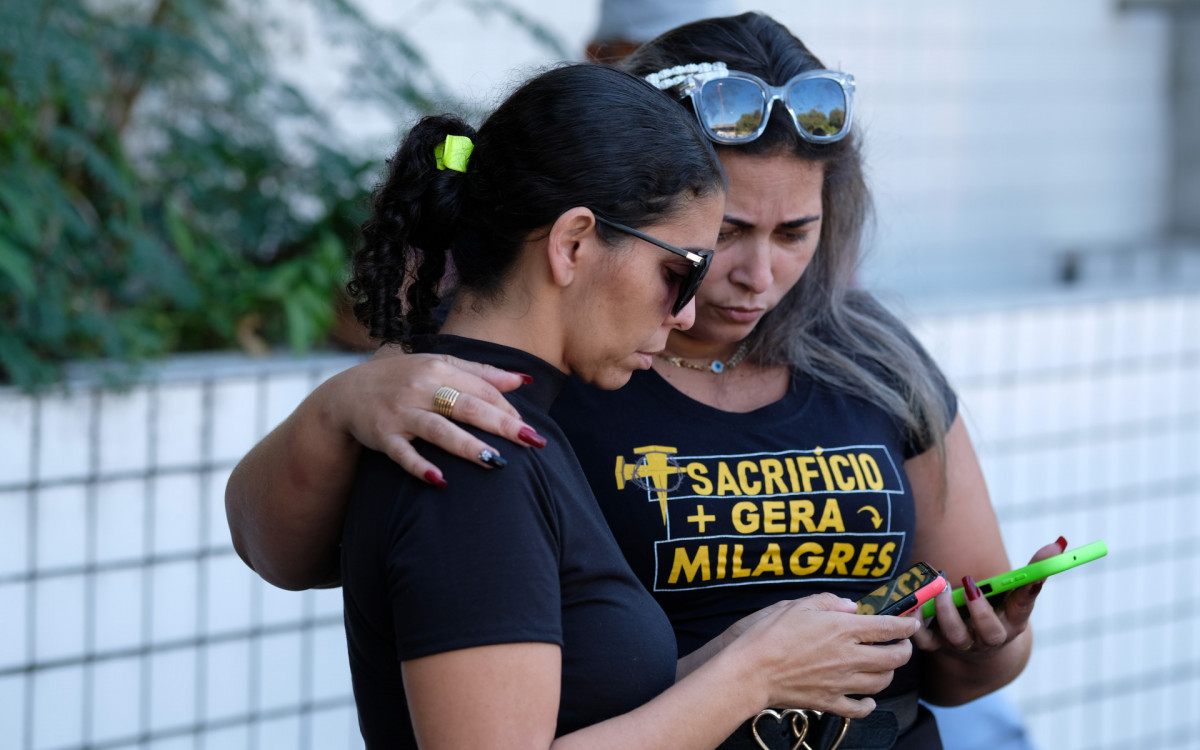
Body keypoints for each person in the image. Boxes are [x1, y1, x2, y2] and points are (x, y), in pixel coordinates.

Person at [226, 13, 1057, 749]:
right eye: (718, 237)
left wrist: (988, 643)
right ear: (589, 231)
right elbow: (283, 551)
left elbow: (968, 655)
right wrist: (336, 409)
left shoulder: (872, 358)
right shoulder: (503, 382)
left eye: (796, 232)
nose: (755, 276)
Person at [316, 62, 922, 749]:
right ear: (572, 244)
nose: (689, 309)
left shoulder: (499, 421)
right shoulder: (472, 452)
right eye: (679, 270)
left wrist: (734, 659)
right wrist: (751, 677)